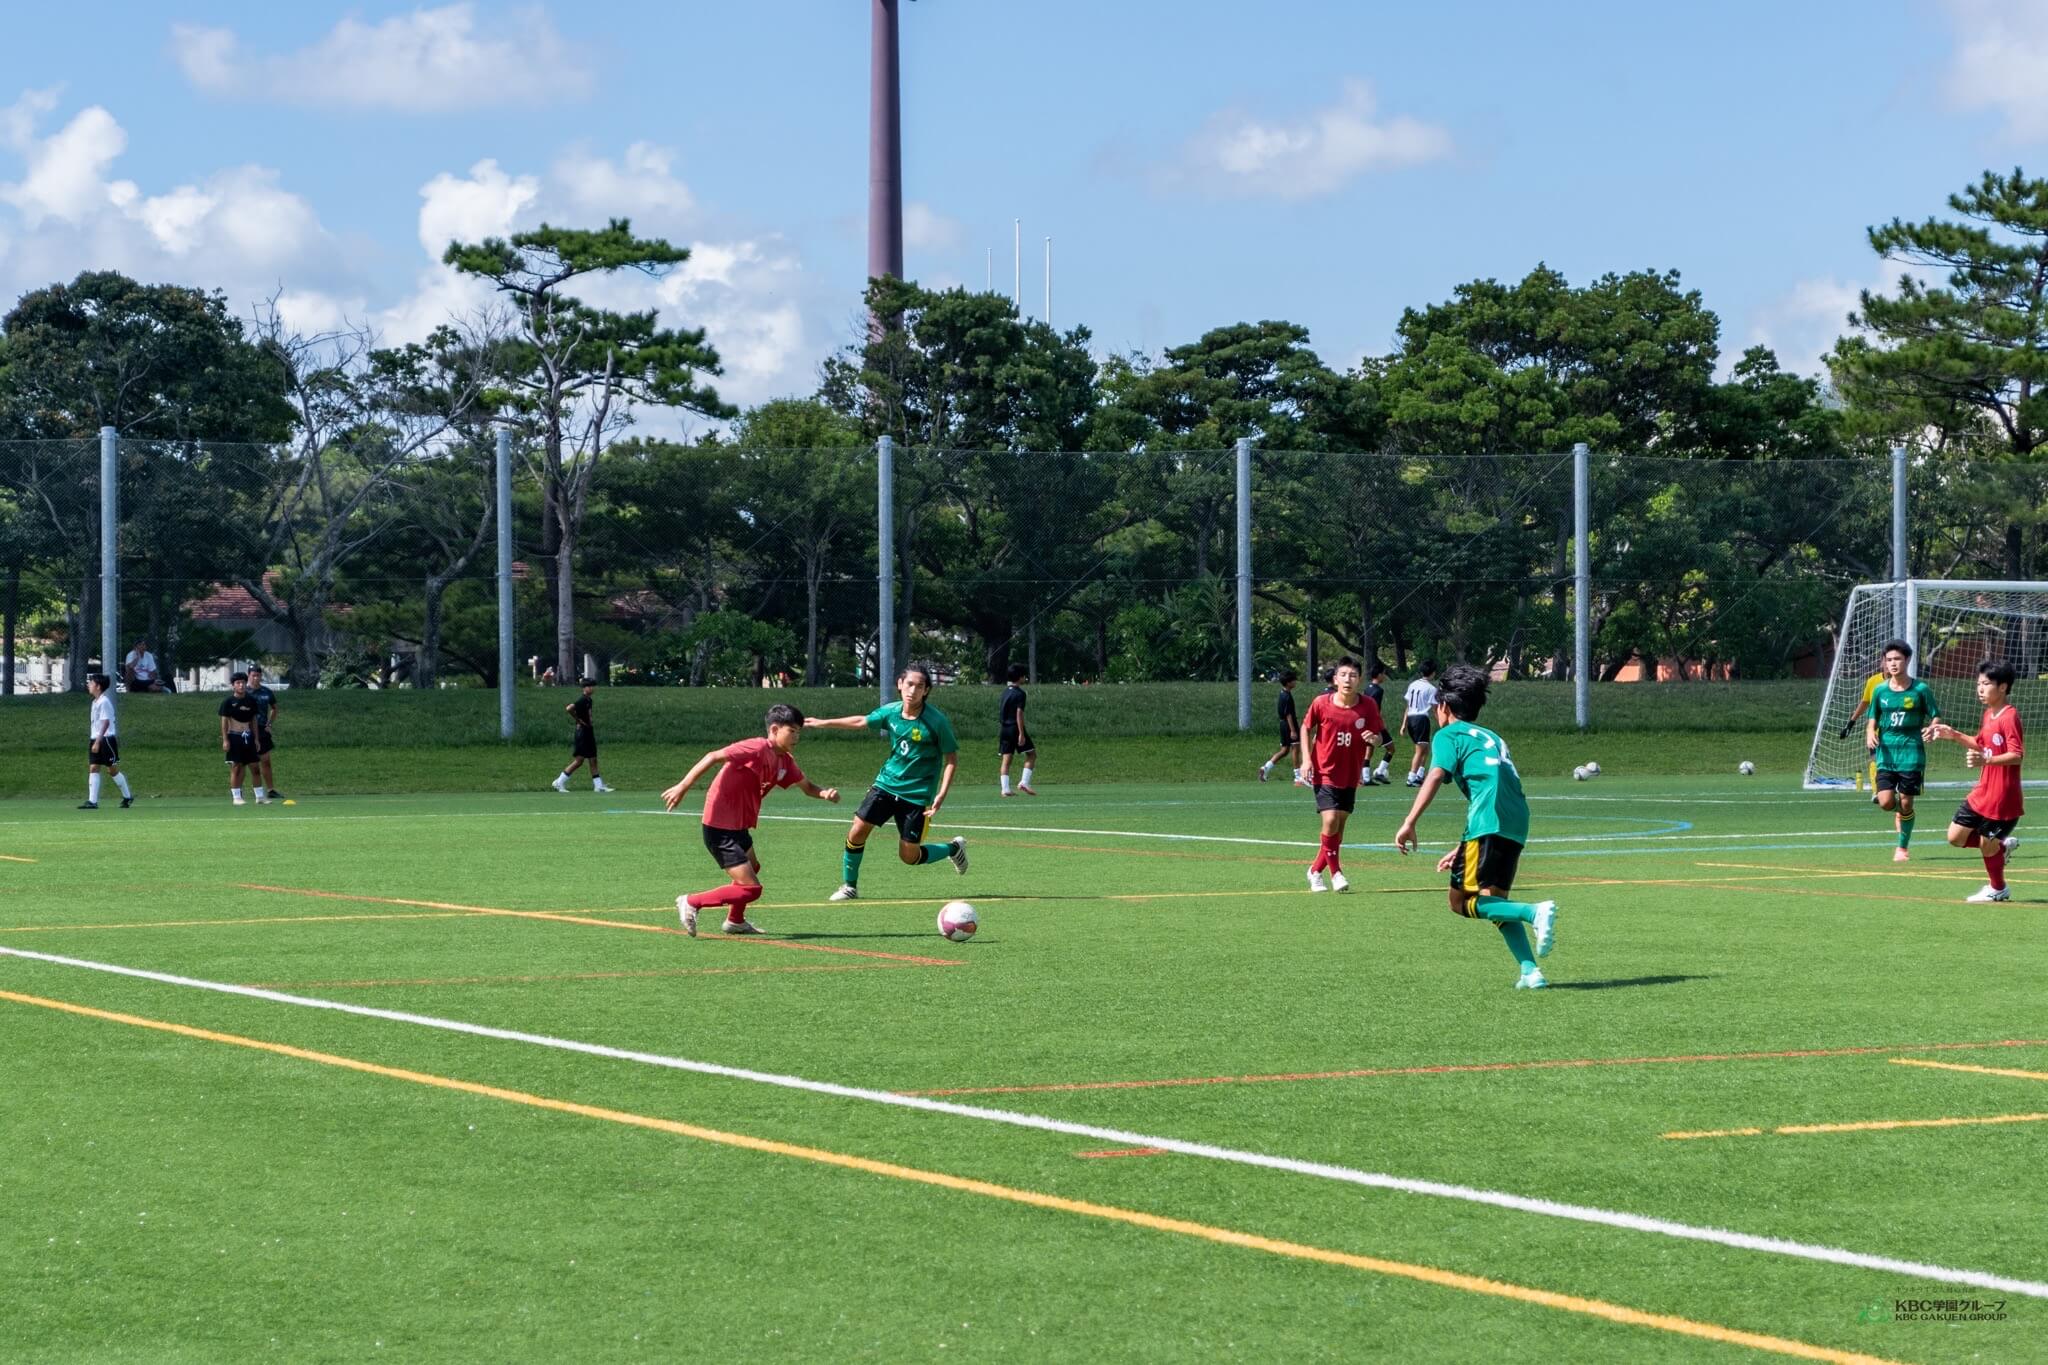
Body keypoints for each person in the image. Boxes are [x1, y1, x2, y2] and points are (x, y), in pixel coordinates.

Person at [1393, 663, 1558, 990]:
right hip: (1515, 822)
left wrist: (1409, 822)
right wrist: (1462, 848)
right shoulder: (1492, 737)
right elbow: (1491, 784)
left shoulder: (1448, 735)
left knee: (1459, 902)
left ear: (1444, 706)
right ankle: (1530, 971)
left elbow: (1435, 775)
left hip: (1488, 821)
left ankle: (1532, 912)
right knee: (1496, 900)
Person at [662, 703, 840, 936]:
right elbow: (713, 756)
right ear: (774, 729)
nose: (796, 737)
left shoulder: (785, 761)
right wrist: (682, 787)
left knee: (753, 867)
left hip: (739, 826)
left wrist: (824, 793)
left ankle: (735, 921)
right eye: (792, 731)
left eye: (799, 732)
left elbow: (807, 787)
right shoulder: (756, 747)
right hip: (719, 826)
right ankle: (691, 901)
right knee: (751, 889)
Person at [809, 662, 968, 900]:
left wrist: (941, 794)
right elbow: (861, 721)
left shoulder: (937, 721)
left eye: (920, 686)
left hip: (917, 794)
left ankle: (953, 849)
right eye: (909, 684)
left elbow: (951, 759)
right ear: (900, 684)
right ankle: (849, 886)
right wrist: (822, 723)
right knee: (857, 831)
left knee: (909, 856)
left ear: (926, 690)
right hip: (886, 784)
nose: (913, 690)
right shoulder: (891, 711)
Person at [1928, 660, 2025, 903]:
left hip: (2002, 799)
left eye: (1986, 684)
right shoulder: (1988, 714)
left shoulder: (2009, 716)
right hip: (1982, 792)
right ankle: (2000, 847)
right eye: (1979, 684)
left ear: (2002, 687)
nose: (1980, 689)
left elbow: (2016, 755)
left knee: (1986, 844)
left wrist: (1986, 761)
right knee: (1955, 837)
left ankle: (1998, 888)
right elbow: (1980, 744)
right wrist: (1953, 735)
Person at [1298, 657, 1383, 892]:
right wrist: (1306, 759)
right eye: (1343, 675)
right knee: (1330, 820)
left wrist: (1374, 740)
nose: (1348, 680)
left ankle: (1315, 870)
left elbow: (1378, 737)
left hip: (1350, 773)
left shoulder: (1368, 705)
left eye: (1353, 675)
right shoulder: (1321, 703)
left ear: (1360, 680)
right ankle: (1336, 873)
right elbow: (1306, 727)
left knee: (1338, 828)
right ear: (1335, 679)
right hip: (1324, 771)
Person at [1864, 639, 1939, 862]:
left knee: (1906, 802)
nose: (1893, 663)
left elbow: (1935, 715)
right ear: (1884, 663)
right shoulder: (1880, 690)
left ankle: (1902, 848)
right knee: (1886, 802)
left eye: (1897, 659)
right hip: (1886, 754)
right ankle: (1902, 813)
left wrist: (1933, 727)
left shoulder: (1920, 689)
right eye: (1889, 660)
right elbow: (1872, 717)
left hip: (1911, 754)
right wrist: (1870, 732)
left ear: (1907, 660)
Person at [80, 673, 134, 810]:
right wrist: (94, 740)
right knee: (93, 767)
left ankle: (127, 796)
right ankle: (92, 801)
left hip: (106, 740)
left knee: (112, 770)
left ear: (98, 686)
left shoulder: (104, 702)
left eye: (91, 683)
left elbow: (106, 723)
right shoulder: (95, 702)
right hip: (95, 738)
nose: (89, 685)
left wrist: (98, 741)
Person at [551, 678, 614, 793]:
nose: (592, 688)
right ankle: (559, 782)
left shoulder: (589, 700)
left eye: (593, 686)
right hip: (582, 732)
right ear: (584, 688)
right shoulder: (582, 700)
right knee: (579, 760)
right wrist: (578, 720)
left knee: (593, 759)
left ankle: (598, 786)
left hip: (589, 731)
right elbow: (569, 708)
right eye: (589, 686)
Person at [219, 672, 262, 806]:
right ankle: (236, 797)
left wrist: (256, 739)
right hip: (234, 736)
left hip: (248, 736)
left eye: (243, 682)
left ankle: (260, 797)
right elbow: (224, 722)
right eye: (238, 683)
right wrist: (225, 740)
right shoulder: (228, 702)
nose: (241, 685)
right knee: (236, 767)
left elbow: (253, 720)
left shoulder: (251, 701)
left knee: (255, 767)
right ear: (233, 686)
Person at [1260, 670, 1307, 785]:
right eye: (1293, 680)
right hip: (1289, 725)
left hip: (1283, 724)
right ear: (1288, 682)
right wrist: (1293, 730)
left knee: (1284, 750)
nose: (1295, 682)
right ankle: (1298, 776)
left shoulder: (1283, 693)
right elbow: (1288, 714)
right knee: (1295, 749)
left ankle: (1266, 768)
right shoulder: (1286, 696)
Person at [998, 663, 1038, 796]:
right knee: (1031, 754)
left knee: (1006, 759)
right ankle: (1024, 782)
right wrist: (1021, 733)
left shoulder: (1005, 692)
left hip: (1004, 729)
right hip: (1015, 728)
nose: (1025, 678)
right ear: (1020, 677)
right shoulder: (1020, 693)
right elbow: (1019, 713)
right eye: (1024, 676)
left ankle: (1005, 789)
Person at [246, 663, 284, 802]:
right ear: (249, 675)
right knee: (246, 763)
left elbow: (274, 708)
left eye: (258, 675)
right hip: (247, 729)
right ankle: (240, 792)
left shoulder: (266, 692)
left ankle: (271, 790)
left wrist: (269, 723)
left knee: (266, 761)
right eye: (253, 675)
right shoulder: (244, 692)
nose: (256, 678)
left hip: (262, 729)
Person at [1402, 659, 1441, 786]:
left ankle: (1420, 774)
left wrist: (1404, 724)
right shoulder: (1431, 688)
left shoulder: (1412, 685)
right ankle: (1411, 778)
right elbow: (1435, 709)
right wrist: (1441, 723)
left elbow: (1408, 706)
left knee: (1426, 748)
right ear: (1433, 673)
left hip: (1411, 719)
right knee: (1419, 751)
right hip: (1421, 720)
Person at [1366, 660, 1396, 785]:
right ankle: (1379, 772)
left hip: (1366, 722)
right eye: (1383, 674)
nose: (1384, 676)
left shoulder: (1367, 688)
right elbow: (1375, 709)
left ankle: (1366, 777)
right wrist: (1379, 724)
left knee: (1369, 748)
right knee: (1391, 748)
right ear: (1379, 675)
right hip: (1376, 724)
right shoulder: (1379, 690)